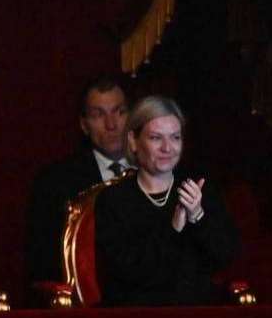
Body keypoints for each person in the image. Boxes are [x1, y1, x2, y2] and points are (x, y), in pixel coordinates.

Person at [95, 96, 239, 306]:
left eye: (175, 137)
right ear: (134, 141)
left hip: (197, 317)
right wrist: (172, 229)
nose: (167, 148)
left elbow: (225, 257)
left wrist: (197, 216)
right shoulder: (114, 201)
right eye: (155, 138)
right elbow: (128, 274)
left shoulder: (198, 190)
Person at [25, 76, 132, 284]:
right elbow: (42, 263)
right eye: (98, 115)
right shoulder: (54, 183)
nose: (111, 124)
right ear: (84, 125)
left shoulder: (158, 170)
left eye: (119, 112)